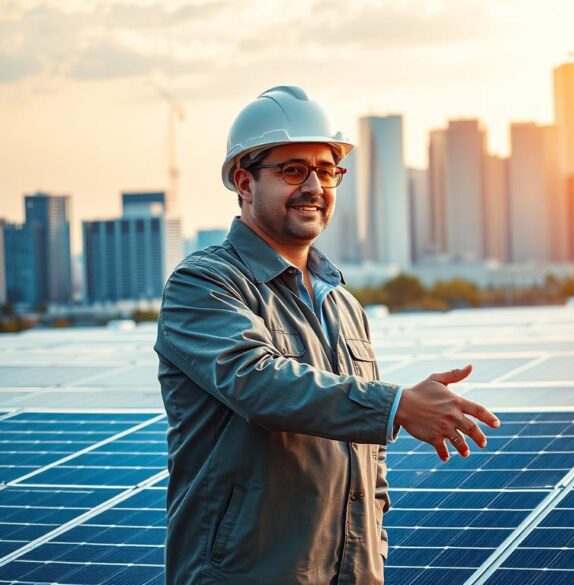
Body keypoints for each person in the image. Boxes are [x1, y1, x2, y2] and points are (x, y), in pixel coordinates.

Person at [155, 85, 499, 585]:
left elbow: (369, 465)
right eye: (294, 169)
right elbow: (258, 382)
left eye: (327, 170)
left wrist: (371, 559)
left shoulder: (343, 303)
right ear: (243, 181)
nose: (315, 185)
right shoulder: (204, 283)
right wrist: (396, 405)